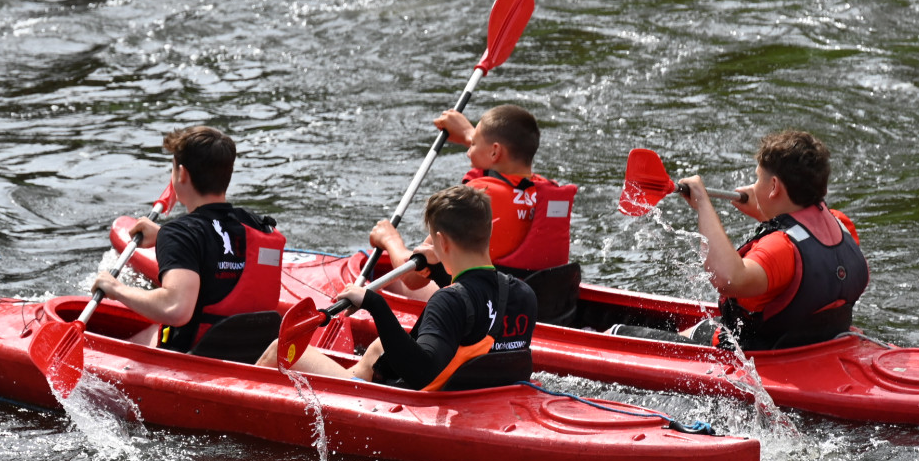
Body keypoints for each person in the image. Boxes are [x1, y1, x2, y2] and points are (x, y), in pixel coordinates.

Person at [257, 185, 538, 390]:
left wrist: (374, 303)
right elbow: (474, 319)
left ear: (443, 242)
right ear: (488, 232)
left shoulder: (449, 302)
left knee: (276, 349)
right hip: (479, 393)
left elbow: (422, 374)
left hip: (394, 395)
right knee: (380, 347)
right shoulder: (522, 294)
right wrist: (440, 271)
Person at [614, 130, 868, 351]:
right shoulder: (840, 225)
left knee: (615, 334)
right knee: (703, 327)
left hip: (763, 352)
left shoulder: (782, 248)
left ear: (775, 186)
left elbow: (728, 280)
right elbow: (804, 233)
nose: (754, 184)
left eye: (758, 178)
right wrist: (764, 201)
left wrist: (703, 202)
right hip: (820, 341)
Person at [92, 126, 285, 352]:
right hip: (255, 349)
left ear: (181, 174)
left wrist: (115, 288)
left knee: (134, 340)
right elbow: (217, 244)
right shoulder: (257, 225)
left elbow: (175, 309)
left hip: (197, 356)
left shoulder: (180, 234)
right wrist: (164, 235)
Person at [369, 104, 577, 293]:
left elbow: (413, 279)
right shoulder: (550, 191)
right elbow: (506, 165)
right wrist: (472, 135)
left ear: (495, 151)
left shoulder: (476, 198)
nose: (468, 153)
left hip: (484, 310)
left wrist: (389, 238)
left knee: (385, 283)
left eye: (473, 145)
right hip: (542, 307)